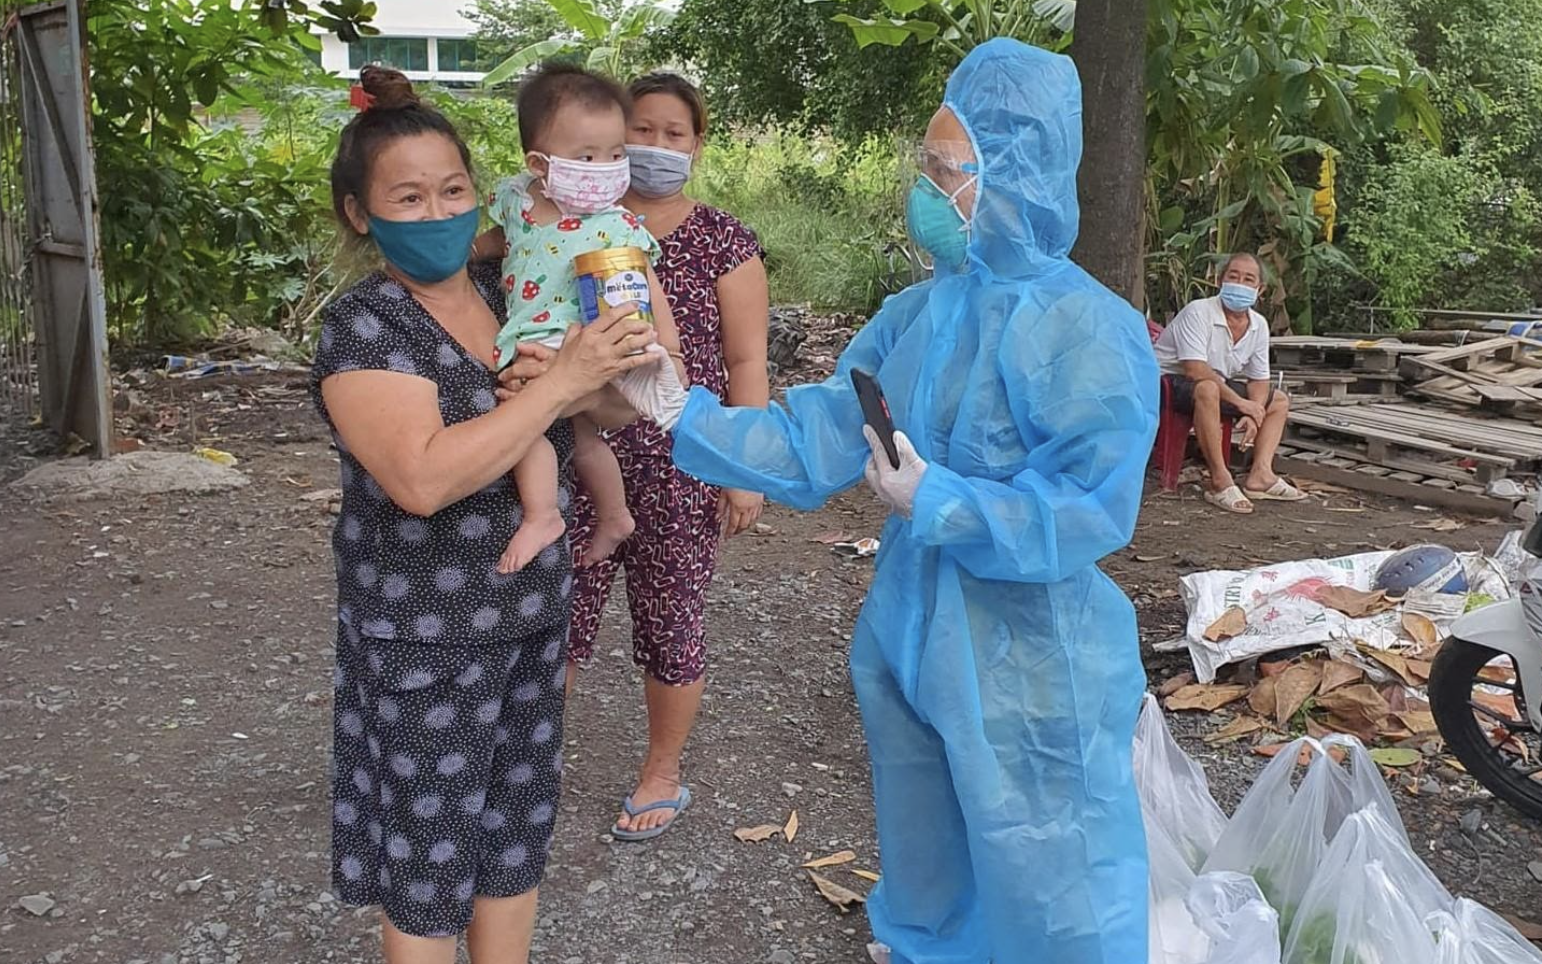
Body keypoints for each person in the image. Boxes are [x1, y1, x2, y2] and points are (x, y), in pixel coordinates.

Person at [611, 39, 1158, 964]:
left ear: (1012, 175)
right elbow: (817, 434)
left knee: (1049, 869)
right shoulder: (921, 312)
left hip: (1032, 654)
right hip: (911, 630)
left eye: (946, 171)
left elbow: (1088, 507)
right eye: (927, 166)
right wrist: (677, 407)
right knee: (925, 848)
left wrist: (944, 500)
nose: (927, 189)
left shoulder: (1086, 328)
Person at [312, 65, 659, 964]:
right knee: (427, 872)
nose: (438, 212)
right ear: (362, 213)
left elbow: (611, 411)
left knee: (511, 846)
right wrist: (553, 396)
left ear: (485, 189)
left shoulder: (514, 291)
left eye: (454, 189)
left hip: (530, 621)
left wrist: (606, 376)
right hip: (424, 640)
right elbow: (421, 480)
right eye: (409, 196)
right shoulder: (367, 327)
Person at [574, 72, 768, 841]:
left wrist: (742, 467)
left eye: (673, 134)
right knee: (557, 612)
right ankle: (527, 762)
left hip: (685, 462)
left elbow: (746, 362)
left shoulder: (723, 238)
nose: (655, 147)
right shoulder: (579, 229)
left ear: (697, 144)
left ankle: (661, 772)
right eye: (640, 131)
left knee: (672, 619)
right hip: (580, 449)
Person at [469, 63, 686, 573]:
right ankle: (612, 516)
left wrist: (659, 346)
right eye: (586, 156)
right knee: (574, 436)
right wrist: (463, 256)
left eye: (615, 154)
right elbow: (502, 243)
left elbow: (650, 294)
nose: (605, 167)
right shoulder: (520, 201)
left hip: (576, 342)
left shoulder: (618, 224)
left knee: (529, 420)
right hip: (529, 337)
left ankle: (546, 514)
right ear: (540, 164)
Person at [1152, 253, 1304, 513]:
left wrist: (1255, 411)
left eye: (1248, 279)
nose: (1239, 284)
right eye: (1233, 277)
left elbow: (1259, 377)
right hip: (1167, 385)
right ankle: (1220, 480)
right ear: (1220, 281)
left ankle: (1261, 475)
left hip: (1214, 384)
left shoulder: (1259, 324)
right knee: (1208, 388)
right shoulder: (1199, 311)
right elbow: (1195, 369)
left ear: (1260, 289)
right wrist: (1241, 404)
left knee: (1277, 400)